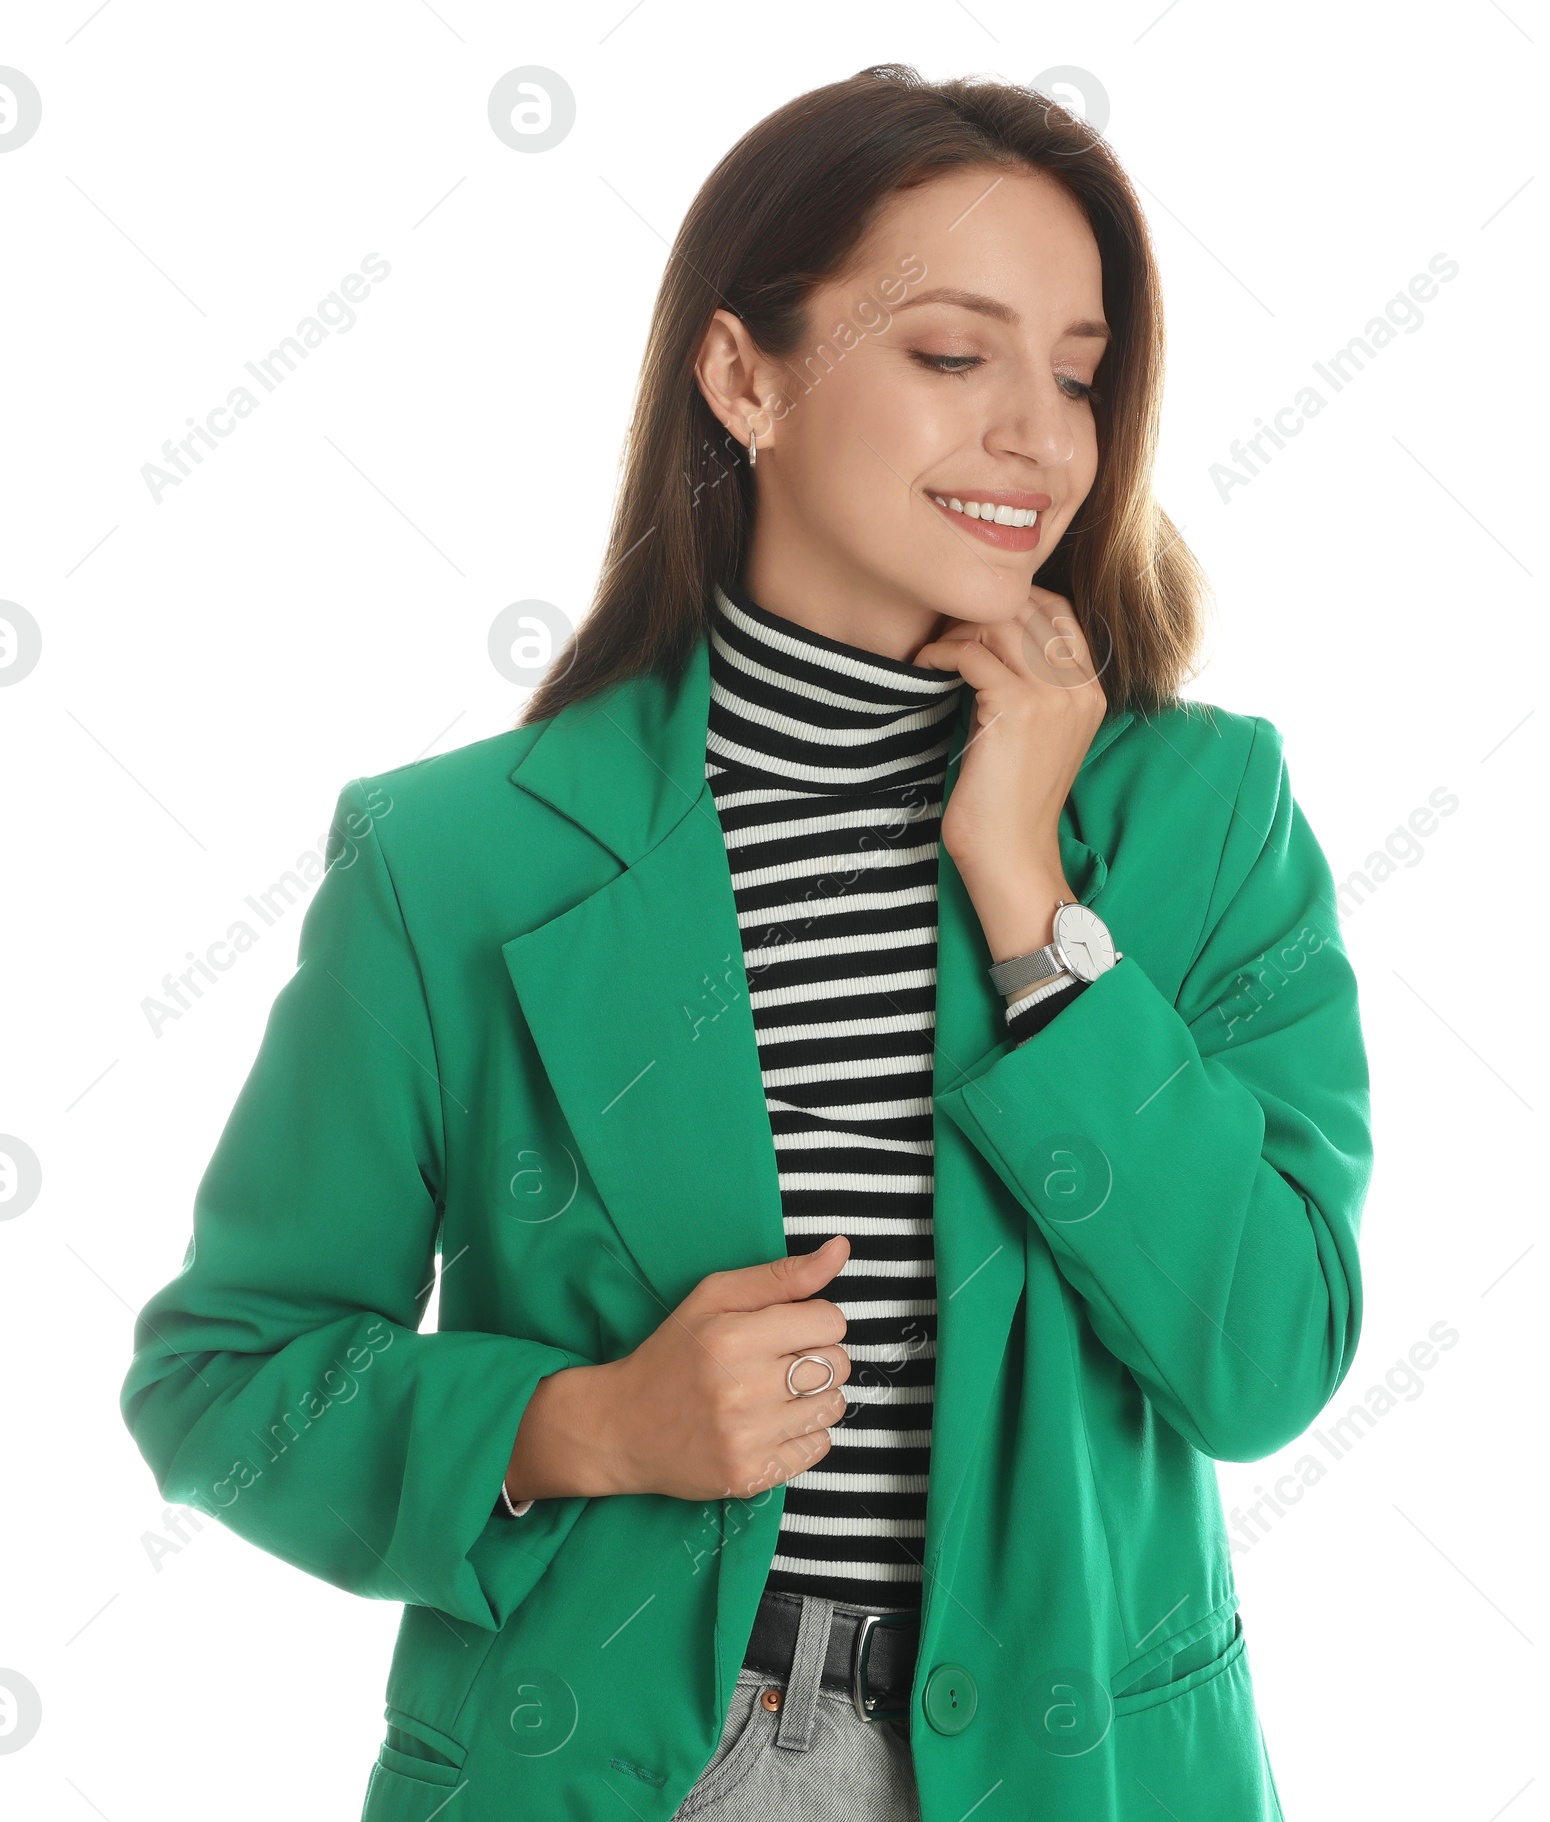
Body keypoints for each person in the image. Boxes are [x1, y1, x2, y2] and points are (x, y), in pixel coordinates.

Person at [120, 65, 1372, 1822]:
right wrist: (584, 1427)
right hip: (630, 1769)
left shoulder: (1195, 813)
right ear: (743, 374)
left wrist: (1029, 898)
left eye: (1080, 376)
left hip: (1075, 1770)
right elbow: (222, 1378)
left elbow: (1265, 1356)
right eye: (955, 354)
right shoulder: (456, 857)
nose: (1040, 434)